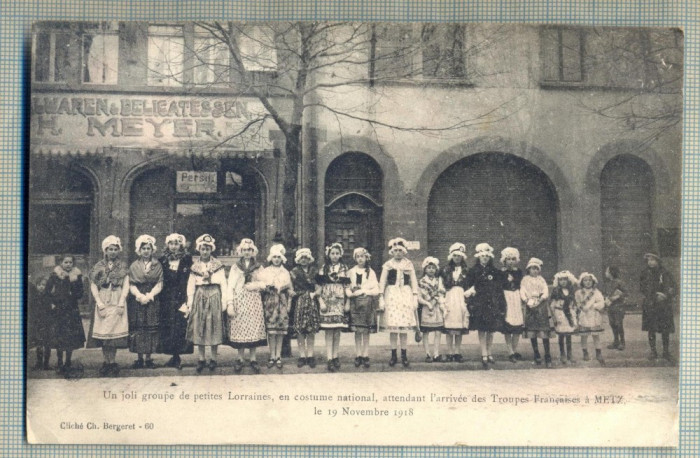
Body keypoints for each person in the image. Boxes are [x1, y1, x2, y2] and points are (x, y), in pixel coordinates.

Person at [88, 236, 130, 377]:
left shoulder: (123, 267)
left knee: (114, 336)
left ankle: (113, 362)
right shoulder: (99, 266)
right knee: (104, 335)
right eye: (110, 249)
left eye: (115, 249)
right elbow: (94, 285)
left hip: (117, 299)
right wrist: (99, 303)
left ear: (118, 251)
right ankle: (106, 362)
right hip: (103, 300)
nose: (112, 252)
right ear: (105, 251)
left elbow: (126, 286)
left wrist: (121, 303)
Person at [185, 234, 227, 373]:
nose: (205, 251)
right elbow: (191, 286)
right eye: (203, 249)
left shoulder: (218, 265)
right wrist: (190, 303)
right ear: (199, 249)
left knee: (213, 326)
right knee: (200, 326)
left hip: (214, 294)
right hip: (200, 296)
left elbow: (223, 284)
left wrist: (224, 301)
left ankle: (213, 358)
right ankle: (201, 358)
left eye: (208, 249)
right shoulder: (195, 266)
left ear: (211, 250)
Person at [226, 238, 267, 374]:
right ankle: (240, 358)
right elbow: (231, 285)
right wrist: (230, 303)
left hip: (254, 300)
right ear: (240, 251)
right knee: (241, 328)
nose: (247, 252)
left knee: (253, 328)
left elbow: (264, 283)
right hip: (240, 300)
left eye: (249, 250)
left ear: (253, 251)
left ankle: (253, 358)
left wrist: (255, 285)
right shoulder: (235, 267)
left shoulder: (259, 267)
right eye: (244, 250)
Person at [378, 238, 419, 367]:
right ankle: (393, 355)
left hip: (405, 295)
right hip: (392, 295)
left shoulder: (408, 264)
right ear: (392, 252)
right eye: (395, 251)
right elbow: (382, 282)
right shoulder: (388, 265)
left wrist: (415, 297)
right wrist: (381, 297)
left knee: (403, 328)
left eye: (400, 251)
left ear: (404, 252)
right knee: (394, 328)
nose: (398, 253)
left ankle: (404, 355)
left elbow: (413, 281)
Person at [466, 243, 507, 370]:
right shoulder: (473, 271)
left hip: (492, 303)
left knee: (491, 329)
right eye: (482, 256)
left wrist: (500, 303)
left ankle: (489, 352)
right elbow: (469, 287)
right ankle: (483, 353)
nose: (485, 258)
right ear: (478, 257)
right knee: (482, 328)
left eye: (487, 256)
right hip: (479, 303)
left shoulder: (494, 271)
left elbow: (499, 288)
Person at [44, 255, 86, 374]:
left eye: (70, 262)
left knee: (70, 336)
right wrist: (53, 301)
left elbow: (80, 293)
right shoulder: (55, 275)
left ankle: (68, 361)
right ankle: (59, 362)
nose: (68, 264)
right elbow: (47, 291)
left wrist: (74, 290)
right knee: (59, 335)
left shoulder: (77, 275)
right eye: (66, 262)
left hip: (72, 309)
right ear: (61, 263)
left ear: (73, 263)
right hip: (59, 309)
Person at [158, 233, 194, 369]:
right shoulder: (162, 260)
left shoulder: (187, 259)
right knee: (168, 326)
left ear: (181, 245)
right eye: (171, 243)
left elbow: (190, 279)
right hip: (167, 298)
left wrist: (187, 298)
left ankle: (178, 356)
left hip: (181, 296)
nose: (174, 246)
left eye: (176, 244)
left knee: (180, 326)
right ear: (167, 245)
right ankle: (172, 356)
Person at [127, 235, 163, 369]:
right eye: (144, 248)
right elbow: (131, 283)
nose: (146, 251)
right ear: (139, 250)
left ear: (152, 250)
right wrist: (139, 296)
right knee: (139, 327)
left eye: (149, 248)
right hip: (138, 300)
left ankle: (148, 358)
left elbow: (160, 282)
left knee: (150, 328)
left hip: (152, 299)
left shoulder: (157, 265)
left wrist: (150, 295)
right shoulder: (134, 265)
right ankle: (139, 358)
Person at [316, 242, 350, 372]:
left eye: (337, 253)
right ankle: (329, 357)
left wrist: (348, 302)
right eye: (332, 253)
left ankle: (336, 356)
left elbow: (347, 287)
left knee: (337, 331)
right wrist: (321, 302)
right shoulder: (324, 268)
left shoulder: (344, 268)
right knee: (329, 331)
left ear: (340, 254)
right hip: (327, 301)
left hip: (339, 302)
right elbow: (319, 287)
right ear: (329, 255)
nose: (335, 256)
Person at [260, 244, 293, 369]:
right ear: (271, 258)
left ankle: (278, 355)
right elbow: (262, 284)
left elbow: (289, 286)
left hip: (282, 301)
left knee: (280, 331)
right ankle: (272, 355)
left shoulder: (285, 271)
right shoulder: (266, 271)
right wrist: (267, 287)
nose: (276, 259)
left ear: (282, 258)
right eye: (274, 257)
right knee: (271, 330)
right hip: (270, 301)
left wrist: (284, 288)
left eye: (279, 257)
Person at [345, 247, 380, 368]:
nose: (360, 259)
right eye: (358, 257)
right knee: (358, 331)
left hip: (367, 304)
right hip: (356, 304)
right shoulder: (351, 272)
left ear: (366, 258)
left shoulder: (371, 272)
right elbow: (347, 287)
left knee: (366, 331)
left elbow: (376, 289)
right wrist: (351, 294)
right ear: (355, 258)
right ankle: (358, 354)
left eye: (362, 256)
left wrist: (365, 291)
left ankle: (365, 354)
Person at [640, 252, 676, 362]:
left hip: (663, 305)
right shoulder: (645, 273)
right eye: (649, 260)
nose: (650, 262)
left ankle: (666, 352)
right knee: (651, 329)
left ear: (658, 260)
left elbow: (673, 287)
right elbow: (642, 287)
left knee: (665, 329)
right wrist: (650, 295)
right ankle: (653, 351)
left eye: (653, 260)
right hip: (650, 304)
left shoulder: (665, 272)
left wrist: (665, 295)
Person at [290, 248, 321, 368]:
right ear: (298, 259)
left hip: (312, 301)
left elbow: (319, 286)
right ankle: (302, 356)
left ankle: (311, 355)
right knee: (300, 330)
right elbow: (291, 288)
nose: (304, 260)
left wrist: (316, 293)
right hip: (299, 301)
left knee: (311, 330)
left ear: (309, 259)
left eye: (306, 258)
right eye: (301, 258)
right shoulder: (294, 272)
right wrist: (293, 293)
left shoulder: (314, 271)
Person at [440, 244, 470, 362]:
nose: (457, 258)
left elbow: (470, 285)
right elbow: (441, 284)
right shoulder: (445, 269)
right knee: (449, 325)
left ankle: (457, 351)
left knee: (459, 327)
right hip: (450, 296)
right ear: (451, 256)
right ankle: (449, 352)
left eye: (459, 256)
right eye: (455, 255)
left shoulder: (466, 270)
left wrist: (468, 296)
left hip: (461, 297)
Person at [520, 258, 552, 368]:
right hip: (530, 306)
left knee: (543, 331)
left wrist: (541, 299)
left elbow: (545, 291)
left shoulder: (541, 279)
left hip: (540, 306)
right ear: (528, 269)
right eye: (532, 269)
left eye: (537, 269)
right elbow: (522, 291)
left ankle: (547, 354)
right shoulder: (525, 280)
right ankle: (536, 352)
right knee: (532, 331)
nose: (535, 271)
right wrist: (526, 300)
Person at [417, 256, 446, 363]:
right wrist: (427, 303)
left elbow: (441, 292)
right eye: (429, 268)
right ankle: (427, 354)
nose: (431, 270)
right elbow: (419, 297)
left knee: (438, 332)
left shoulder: (439, 281)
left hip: (437, 308)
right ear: (425, 269)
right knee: (426, 332)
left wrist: (436, 301)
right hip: (426, 309)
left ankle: (436, 353)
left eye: (433, 268)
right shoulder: (421, 282)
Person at [575, 272, 606, 366]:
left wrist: (594, 305)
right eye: (585, 280)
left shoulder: (596, 292)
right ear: (582, 282)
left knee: (596, 336)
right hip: (584, 315)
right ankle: (585, 352)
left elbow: (601, 303)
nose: (587, 282)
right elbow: (577, 303)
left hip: (594, 315)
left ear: (593, 282)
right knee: (584, 336)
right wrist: (581, 307)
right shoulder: (578, 293)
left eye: (589, 280)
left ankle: (598, 352)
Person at [500, 247, 524, 363]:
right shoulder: (501, 273)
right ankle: (510, 351)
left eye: (513, 259)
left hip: (516, 298)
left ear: (516, 260)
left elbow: (521, 285)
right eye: (508, 259)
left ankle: (514, 350)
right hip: (507, 298)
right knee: (508, 325)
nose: (510, 261)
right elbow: (500, 286)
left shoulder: (519, 272)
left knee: (517, 325)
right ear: (504, 260)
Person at [550, 270, 578, 365]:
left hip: (569, 313)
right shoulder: (556, 291)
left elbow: (573, 302)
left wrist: (574, 310)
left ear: (568, 280)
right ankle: (562, 353)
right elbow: (552, 304)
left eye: (565, 280)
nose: (563, 282)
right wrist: (554, 315)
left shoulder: (571, 290)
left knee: (569, 335)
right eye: (561, 280)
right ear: (558, 281)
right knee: (561, 335)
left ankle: (569, 353)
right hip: (560, 313)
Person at [28, 274, 52, 370]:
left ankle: (46, 364)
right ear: (36, 286)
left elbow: (51, 310)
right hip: (37, 323)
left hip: (47, 323)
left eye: (43, 285)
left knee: (47, 344)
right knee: (39, 344)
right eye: (39, 285)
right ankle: (39, 363)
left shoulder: (48, 297)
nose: (41, 287)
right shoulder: (34, 297)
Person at [603, 266, 627, 351]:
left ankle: (622, 342)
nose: (606, 273)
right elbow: (606, 293)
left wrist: (616, 297)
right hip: (610, 307)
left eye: (607, 271)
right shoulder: (608, 283)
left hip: (618, 306)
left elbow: (625, 293)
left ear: (611, 273)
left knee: (619, 324)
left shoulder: (619, 282)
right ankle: (616, 341)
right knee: (612, 324)